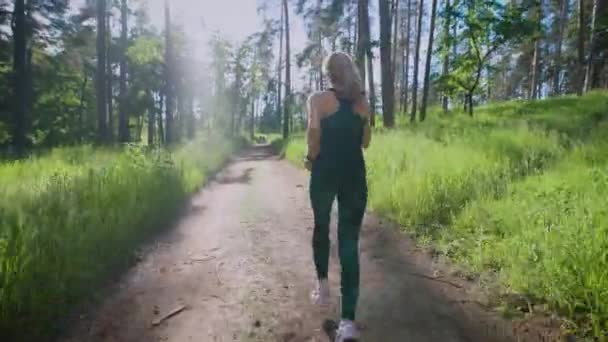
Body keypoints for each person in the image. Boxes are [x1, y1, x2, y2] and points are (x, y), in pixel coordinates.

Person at [304, 52, 371, 342]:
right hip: (354, 177)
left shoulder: (318, 100)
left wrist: (309, 159)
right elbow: (366, 142)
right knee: (349, 244)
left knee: (321, 226)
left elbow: (313, 137)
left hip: (324, 174)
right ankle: (347, 324)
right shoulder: (363, 103)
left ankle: (322, 286)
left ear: (328, 73)